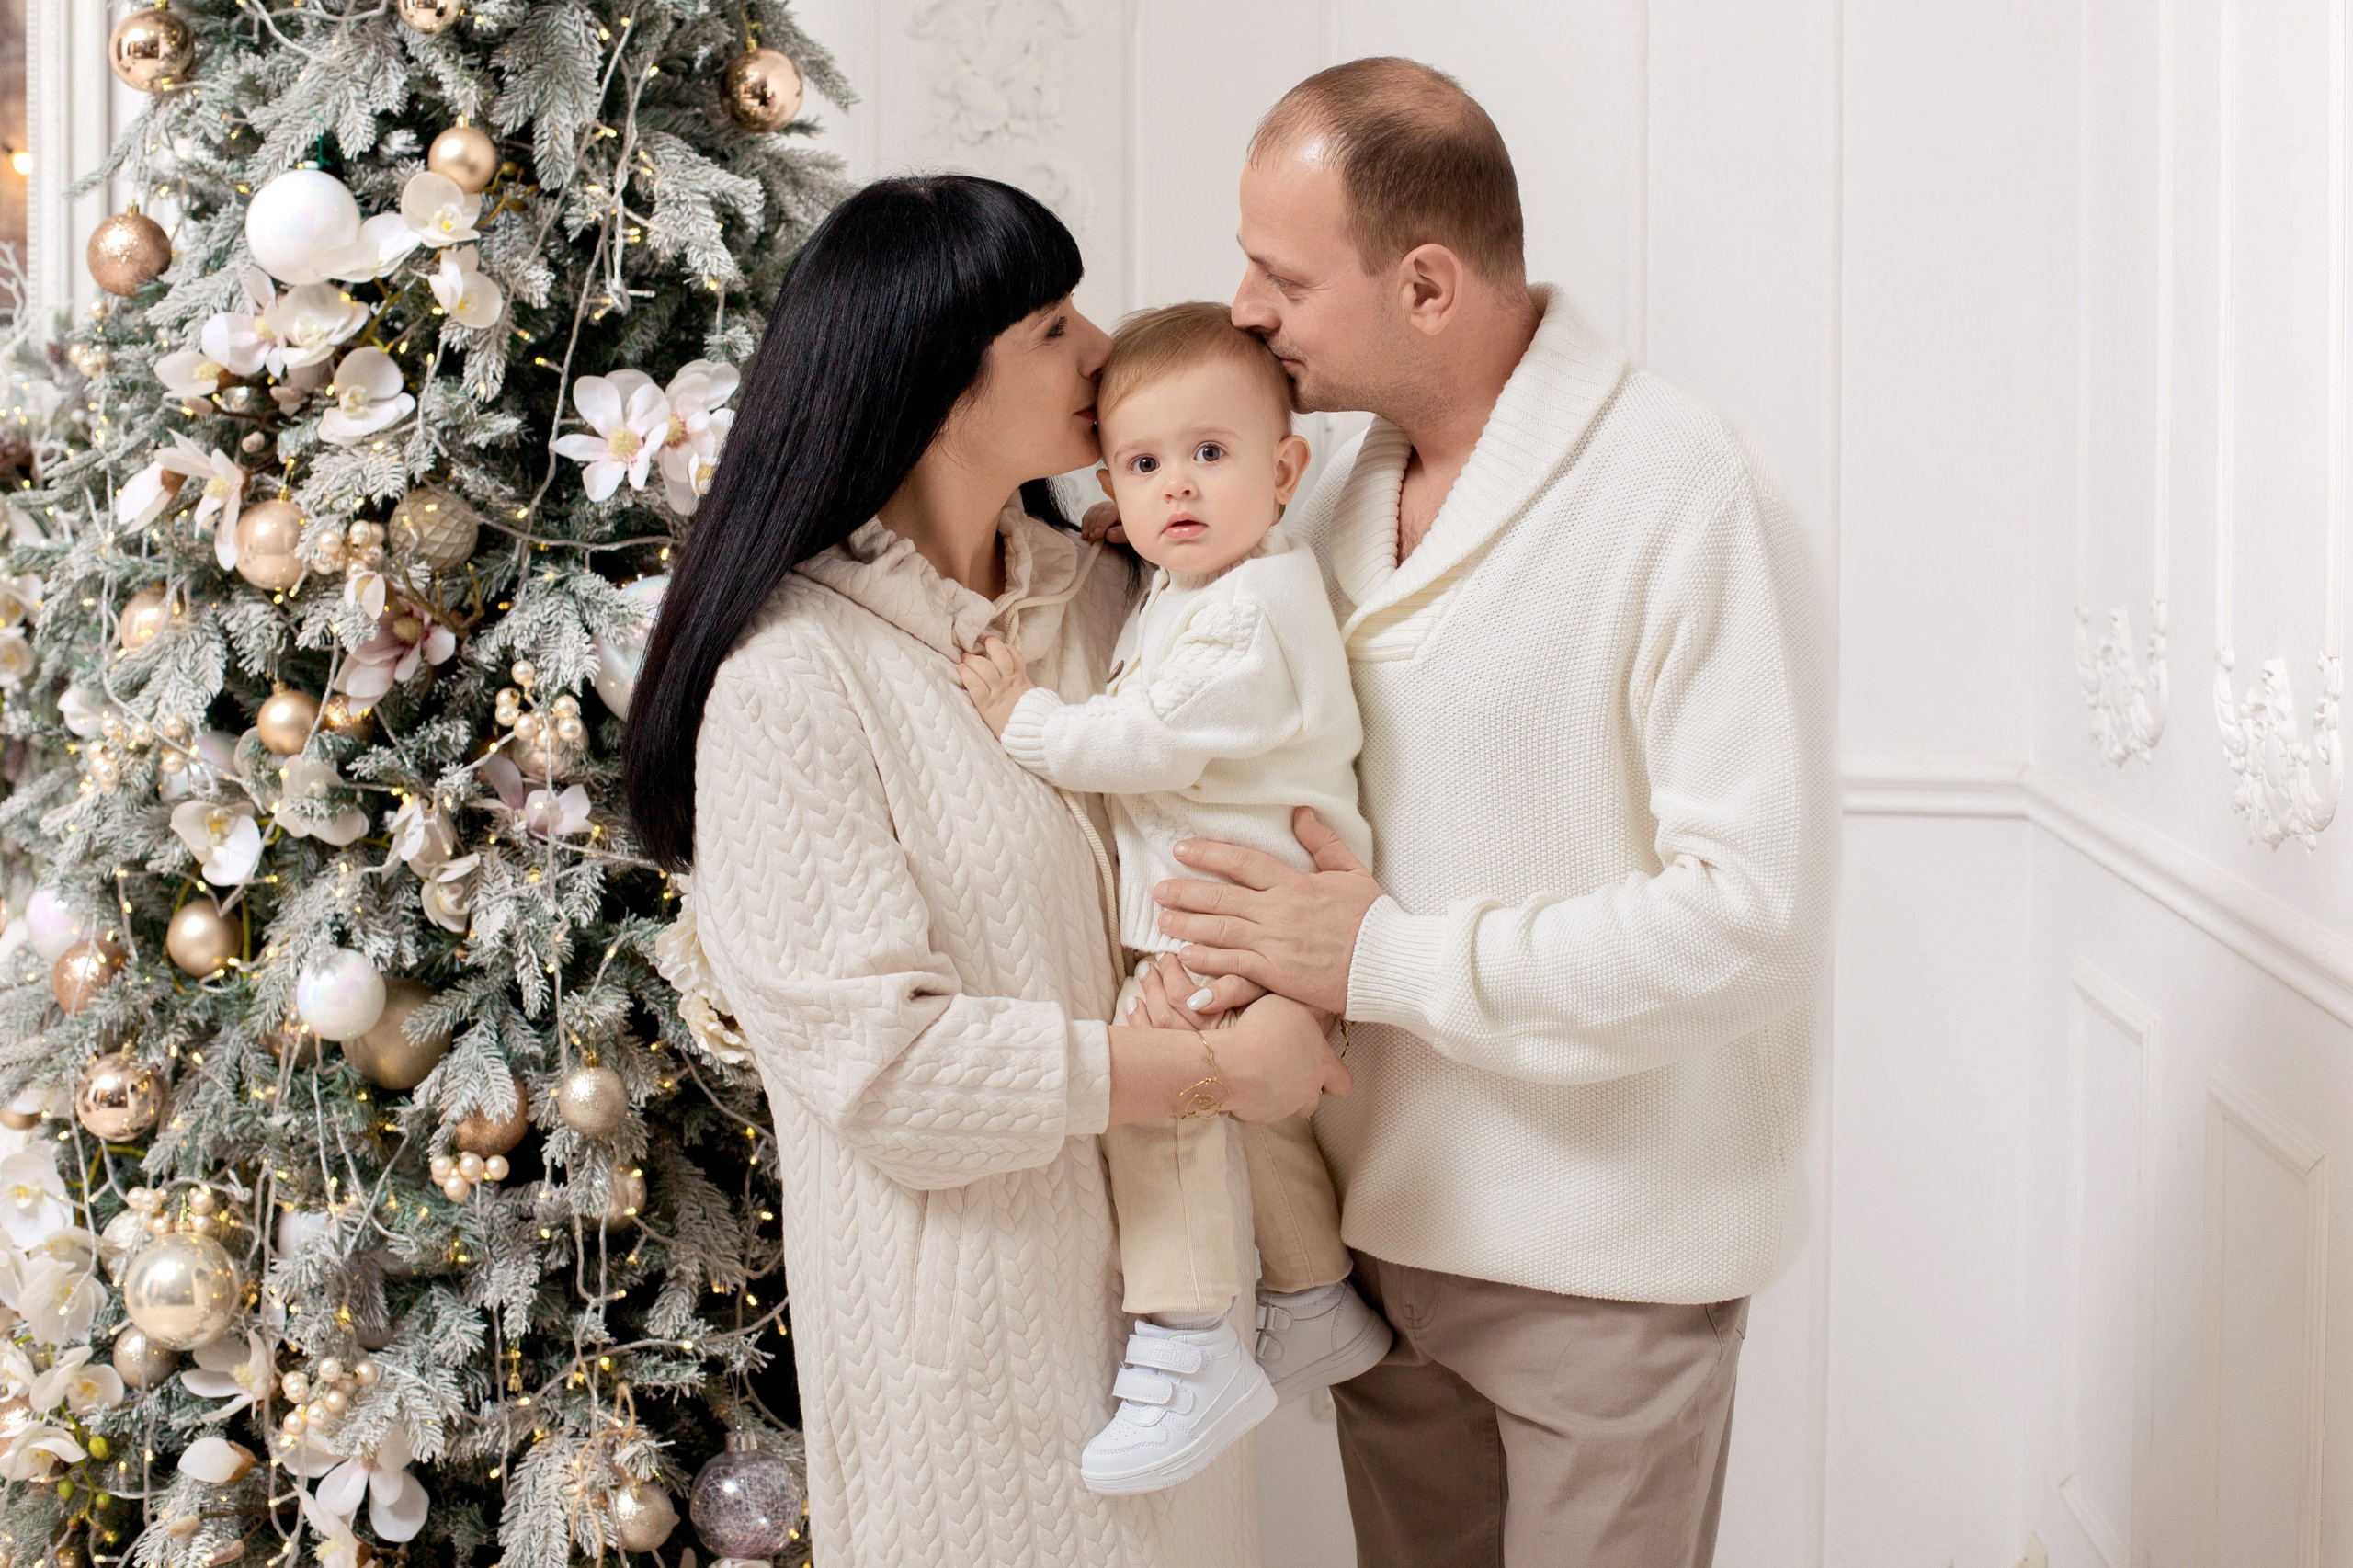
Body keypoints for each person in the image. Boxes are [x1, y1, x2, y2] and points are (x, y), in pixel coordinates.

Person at [1113, 60, 1836, 1567]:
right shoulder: (1308, 489)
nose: (1243, 306)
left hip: (1609, 1269)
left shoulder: (1683, 491)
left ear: (1426, 283)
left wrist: (1387, 961)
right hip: (1387, 1259)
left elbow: (1749, 920)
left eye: (1281, 275)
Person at [620, 176, 1351, 1568]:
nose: (1100, 352)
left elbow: (1257, 799)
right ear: (942, 387)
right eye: (1053, 327)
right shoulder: (793, 682)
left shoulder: (1118, 598)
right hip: (967, 1375)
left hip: (1175, 1336)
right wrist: (1218, 1073)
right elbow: (887, 1069)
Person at [957, 301, 1392, 1497]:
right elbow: (1172, 611)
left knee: (1164, 1096)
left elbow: (1148, 735)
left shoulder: (1254, 615)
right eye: (1145, 465)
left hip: (1240, 915)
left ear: (1285, 468)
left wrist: (1022, 718)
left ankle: (1191, 1334)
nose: (1178, 488)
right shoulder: (1213, 580)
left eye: (1211, 455)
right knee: (1260, 1115)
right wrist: (1136, 537)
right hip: (1253, 911)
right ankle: (1312, 1297)